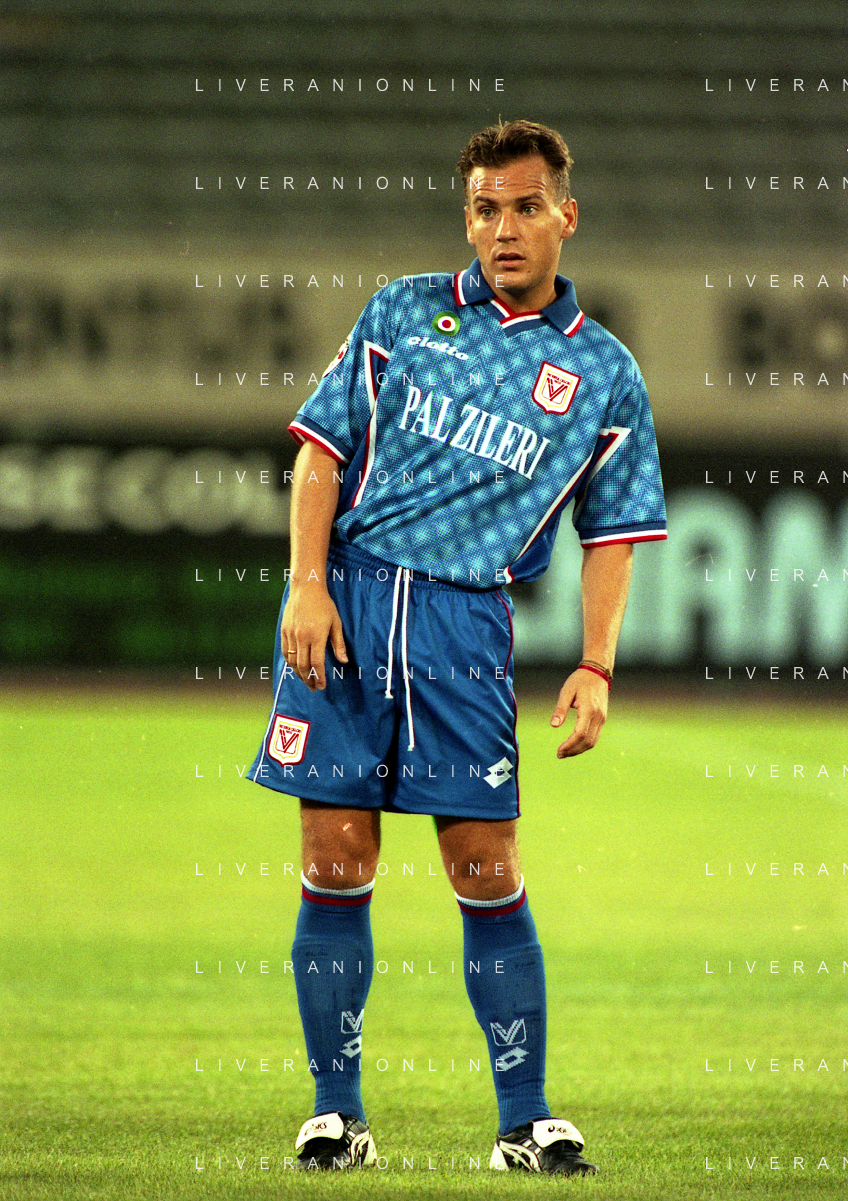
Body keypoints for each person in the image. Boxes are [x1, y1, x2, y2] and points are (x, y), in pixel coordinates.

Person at [249, 119, 666, 1176]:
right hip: (347, 602)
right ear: (466, 218)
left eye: (526, 206)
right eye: (486, 208)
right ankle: (335, 1113)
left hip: (465, 624)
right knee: (334, 858)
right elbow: (319, 452)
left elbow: (612, 534)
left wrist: (595, 663)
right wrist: (306, 583)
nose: (504, 227)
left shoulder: (604, 374)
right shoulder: (401, 310)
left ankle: (523, 1119)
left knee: (484, 866)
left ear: (566, 216)